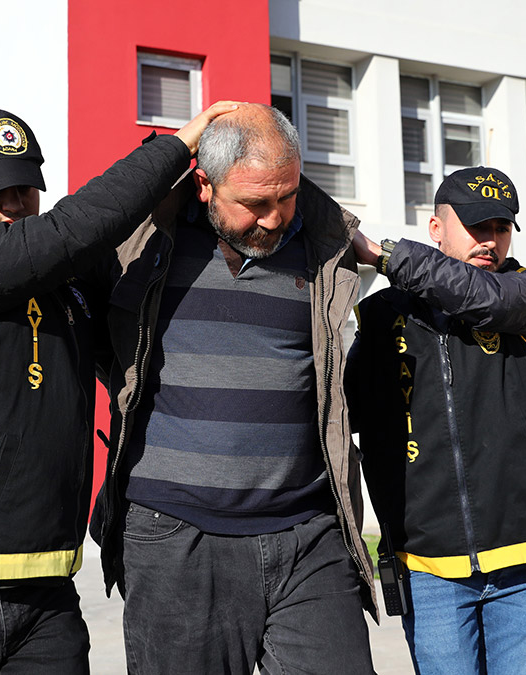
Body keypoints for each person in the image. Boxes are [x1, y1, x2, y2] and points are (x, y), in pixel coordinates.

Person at [0, 102, 238, 674]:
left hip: (46, 592)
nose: (16, 206)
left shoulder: (66, 285)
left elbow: (130, 300)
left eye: (26, 190)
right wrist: (174, 147)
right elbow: (75, 228)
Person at [90, 103, 377, 674]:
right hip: (176, 540)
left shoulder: (322, 247)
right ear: (203, 184)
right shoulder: (140, 246)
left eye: (287, 196)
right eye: (254, 204)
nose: (275, 219)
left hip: (310, 536)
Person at [347, 167, 526, 674]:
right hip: (429, 562)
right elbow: (349, 409)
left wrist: (385, 254)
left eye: (499, 227)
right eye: (475, 226)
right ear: (436, 228)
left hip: (521, 554)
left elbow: (483, 298)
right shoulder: (383, 313)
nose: (489, 240)